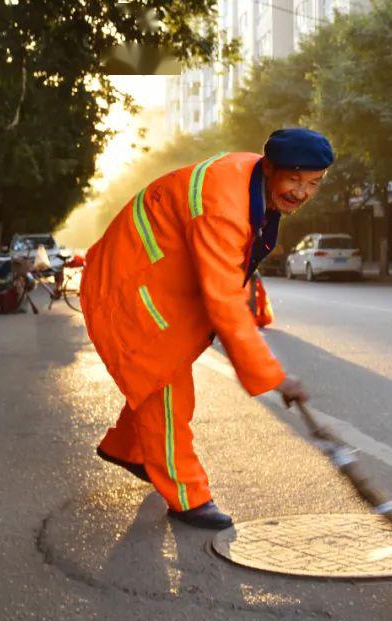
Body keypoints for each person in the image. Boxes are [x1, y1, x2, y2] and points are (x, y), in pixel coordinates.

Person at [80, 128, 333, 529]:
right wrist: (276, 377)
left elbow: (236, 274)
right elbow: (223, 301)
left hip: (159, 281)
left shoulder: (253, 184)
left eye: (314, 183)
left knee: (157, 381)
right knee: (167, 391)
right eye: (295, 179)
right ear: (270, 168)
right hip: (128, 286)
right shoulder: (224, 204)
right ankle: (188, 496)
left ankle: (127, 450)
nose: (302, 193)